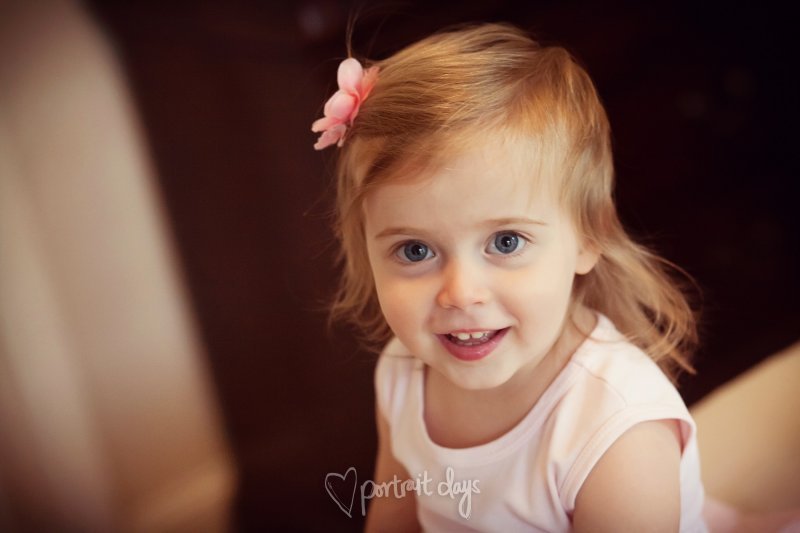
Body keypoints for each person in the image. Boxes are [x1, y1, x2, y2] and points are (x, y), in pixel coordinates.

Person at [312, 22, 715, 532]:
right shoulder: (402, 373)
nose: (461, 294)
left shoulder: (615, 429)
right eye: (415, 250)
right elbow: (394, 517)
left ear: (588, 236)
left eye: (505, 242)